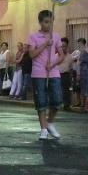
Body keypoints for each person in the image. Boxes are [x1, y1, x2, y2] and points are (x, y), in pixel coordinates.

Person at [27, 9, 64, 140]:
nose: (49, 25)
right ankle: (43, 129)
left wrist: (53, 64)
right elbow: (31, 54)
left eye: (51, 22)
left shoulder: (56, 36)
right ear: (40, 22)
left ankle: (50, 122)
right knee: (41, 102)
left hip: (53, 72)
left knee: (57, 100)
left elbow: (61, 56)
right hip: (38, 73)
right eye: (46, 22)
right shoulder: (33, 37)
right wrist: (44, 44)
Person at [58, 37, 74, 110]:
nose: (62, 48)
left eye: (64, 46)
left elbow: (71, 67)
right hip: (57, 75)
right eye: (61, 46)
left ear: (67, 46)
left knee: (66, 91)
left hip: (66, 75)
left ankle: (66, 105)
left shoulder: (70, 56)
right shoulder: (56, 56)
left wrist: (71, 76)